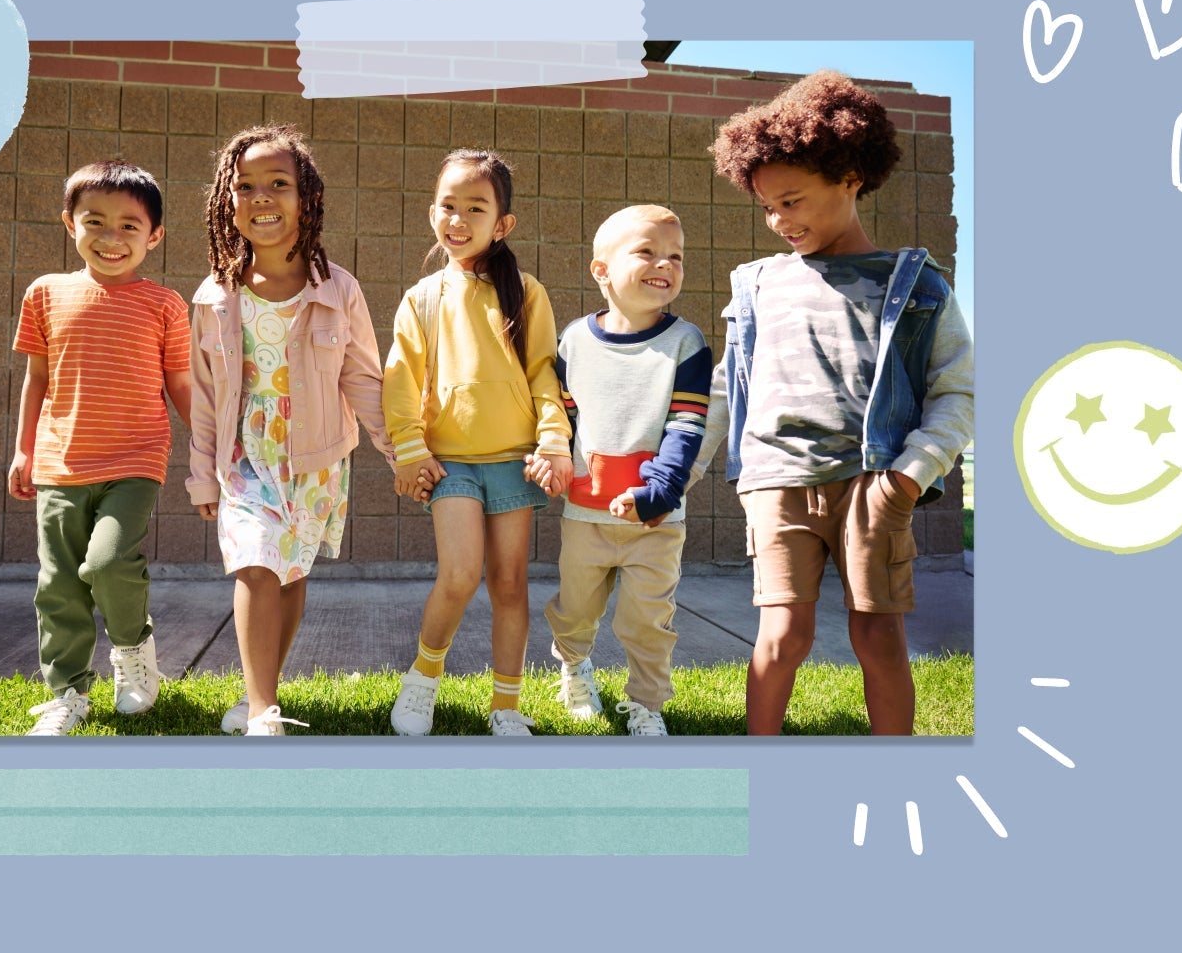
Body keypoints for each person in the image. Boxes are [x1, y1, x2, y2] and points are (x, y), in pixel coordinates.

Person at [709, 70, 973, 735]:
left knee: (878, 639)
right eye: (767, 208)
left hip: (872, 483)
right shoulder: (757, 285)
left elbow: (957, 387)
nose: (779, 221)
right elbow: (725, 386)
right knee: (781, 635)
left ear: (850, 176)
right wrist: (672, 473)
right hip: (777, 481)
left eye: (792, 201)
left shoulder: (914, 284)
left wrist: (910, 474)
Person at [187, 125, 398, 737]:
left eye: (278, 184)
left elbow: (363, 379)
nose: (261, 197)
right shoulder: (214, 296)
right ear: (229, 201)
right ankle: (262, 712)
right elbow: (205, 395)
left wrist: (399, 451)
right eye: (246, 185)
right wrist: (202, 474)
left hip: (316, 455)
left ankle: (261, 689)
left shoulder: (338, 289)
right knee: (256, 564)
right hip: (243, 455)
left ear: (306, 197)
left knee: (292, 571)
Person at [382, 149, 572, 737]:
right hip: (450, 465)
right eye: (448, 205)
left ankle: (506, 706)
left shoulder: (528, 292)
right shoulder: (422, 298)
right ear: (432, 211)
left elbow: (544, 371)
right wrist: (410, 449)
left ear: (503, 224)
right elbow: (401, 378)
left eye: (475, 207)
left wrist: (554, 441)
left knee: (511, 584)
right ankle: (422, 680)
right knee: (460, 575)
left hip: (515, 462)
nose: (458, 219)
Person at [8, 160, 193, 736]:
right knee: (59, 581)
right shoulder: (46, 293)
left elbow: (180, 385)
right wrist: (22, 450)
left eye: (129, 226)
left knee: (108, 563)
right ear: (70, 224)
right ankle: (67, 692)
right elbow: (37, 379)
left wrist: (212, 449)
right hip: (59, 463)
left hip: (135, 462)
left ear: (154, 235)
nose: (112, 238)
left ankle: (134, 650)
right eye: (95, 222)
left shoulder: (165, 305)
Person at [544, 206, 711, 736]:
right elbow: (562, 416)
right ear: (601, 271)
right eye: (646, 251)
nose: (665, 263)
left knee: (647, 622)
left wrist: (659, 493)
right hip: (584, 516)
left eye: (676, 256)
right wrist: (548, 456)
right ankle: (573, 666)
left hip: (654, 522)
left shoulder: (687, 343)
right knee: (575, 612)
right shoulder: (573, 341)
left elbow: (687, 426)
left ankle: (647, 705)